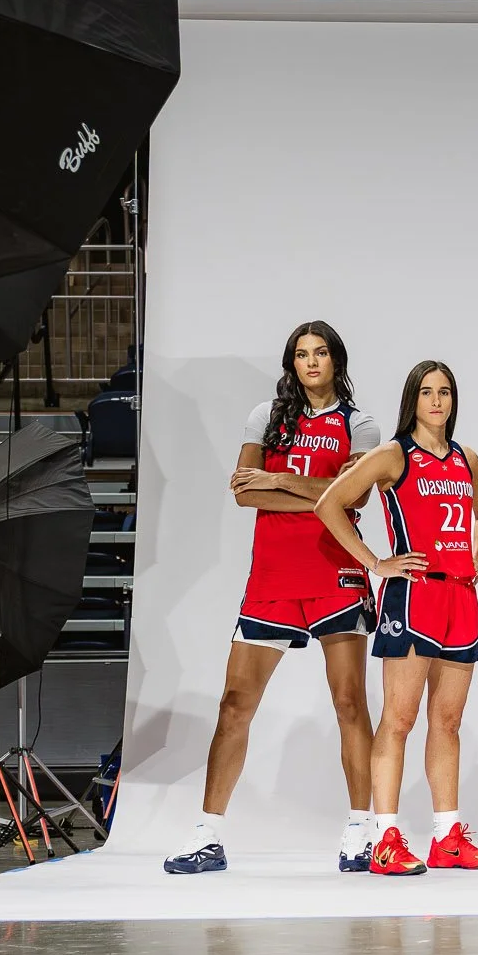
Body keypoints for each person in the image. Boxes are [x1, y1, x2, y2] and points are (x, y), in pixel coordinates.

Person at [164, 321, 380, 877]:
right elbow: (243, 491)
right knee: (235, 704)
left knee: (349, 703)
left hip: (336, 572)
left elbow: (349, 495)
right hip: (272, 580)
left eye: (322, 353)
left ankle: (362, 828)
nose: (312, 363)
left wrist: (278, 480)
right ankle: (207, 834)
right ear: (292, 362)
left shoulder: (363, 425)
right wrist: (318, 492)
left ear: (337, 360)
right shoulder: (267, 415)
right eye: (302, 354)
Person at [316, 360, 478, 876]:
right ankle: (386, 837)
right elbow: (330, 504)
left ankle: (447, 837)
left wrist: (477, 557)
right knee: (398, 720)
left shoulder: (468, 459)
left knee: (448, 721)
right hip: (412, 597)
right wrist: (376, 563)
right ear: (412, 400)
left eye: (445, 392)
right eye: (427, 392)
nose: (437, 401)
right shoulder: (395, 454)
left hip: (459, 599)